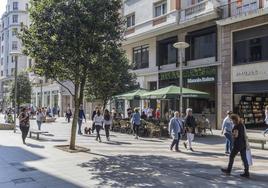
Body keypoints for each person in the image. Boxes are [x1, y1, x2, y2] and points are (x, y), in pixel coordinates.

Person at [221, 114, 250, 178]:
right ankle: (246, 172)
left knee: (231, 156)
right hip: (243, 143)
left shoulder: (236, 126)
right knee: (244, 158)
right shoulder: (241, 125)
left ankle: (228, 170)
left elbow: (236, 135)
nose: (231, 121)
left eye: (232, 120)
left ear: (234, 119)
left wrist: (232, 134)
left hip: (237, 144)